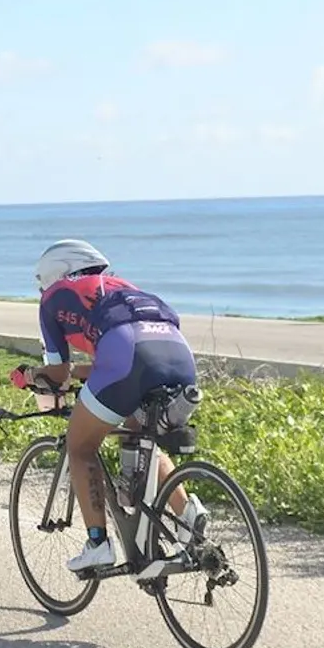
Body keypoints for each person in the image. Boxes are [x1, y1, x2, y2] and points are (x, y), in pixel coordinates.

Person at [28, 239, 206, 574]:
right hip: (177, 356)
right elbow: (108, 362)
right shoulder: (122, 288)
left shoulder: (55, 297)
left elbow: (58, 373)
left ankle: (98, 544)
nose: (41, 289)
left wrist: (30, 376)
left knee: (80, 446)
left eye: (40, 282)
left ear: (56, 272)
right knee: (140, 434)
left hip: (126, 356)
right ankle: (187, 513)